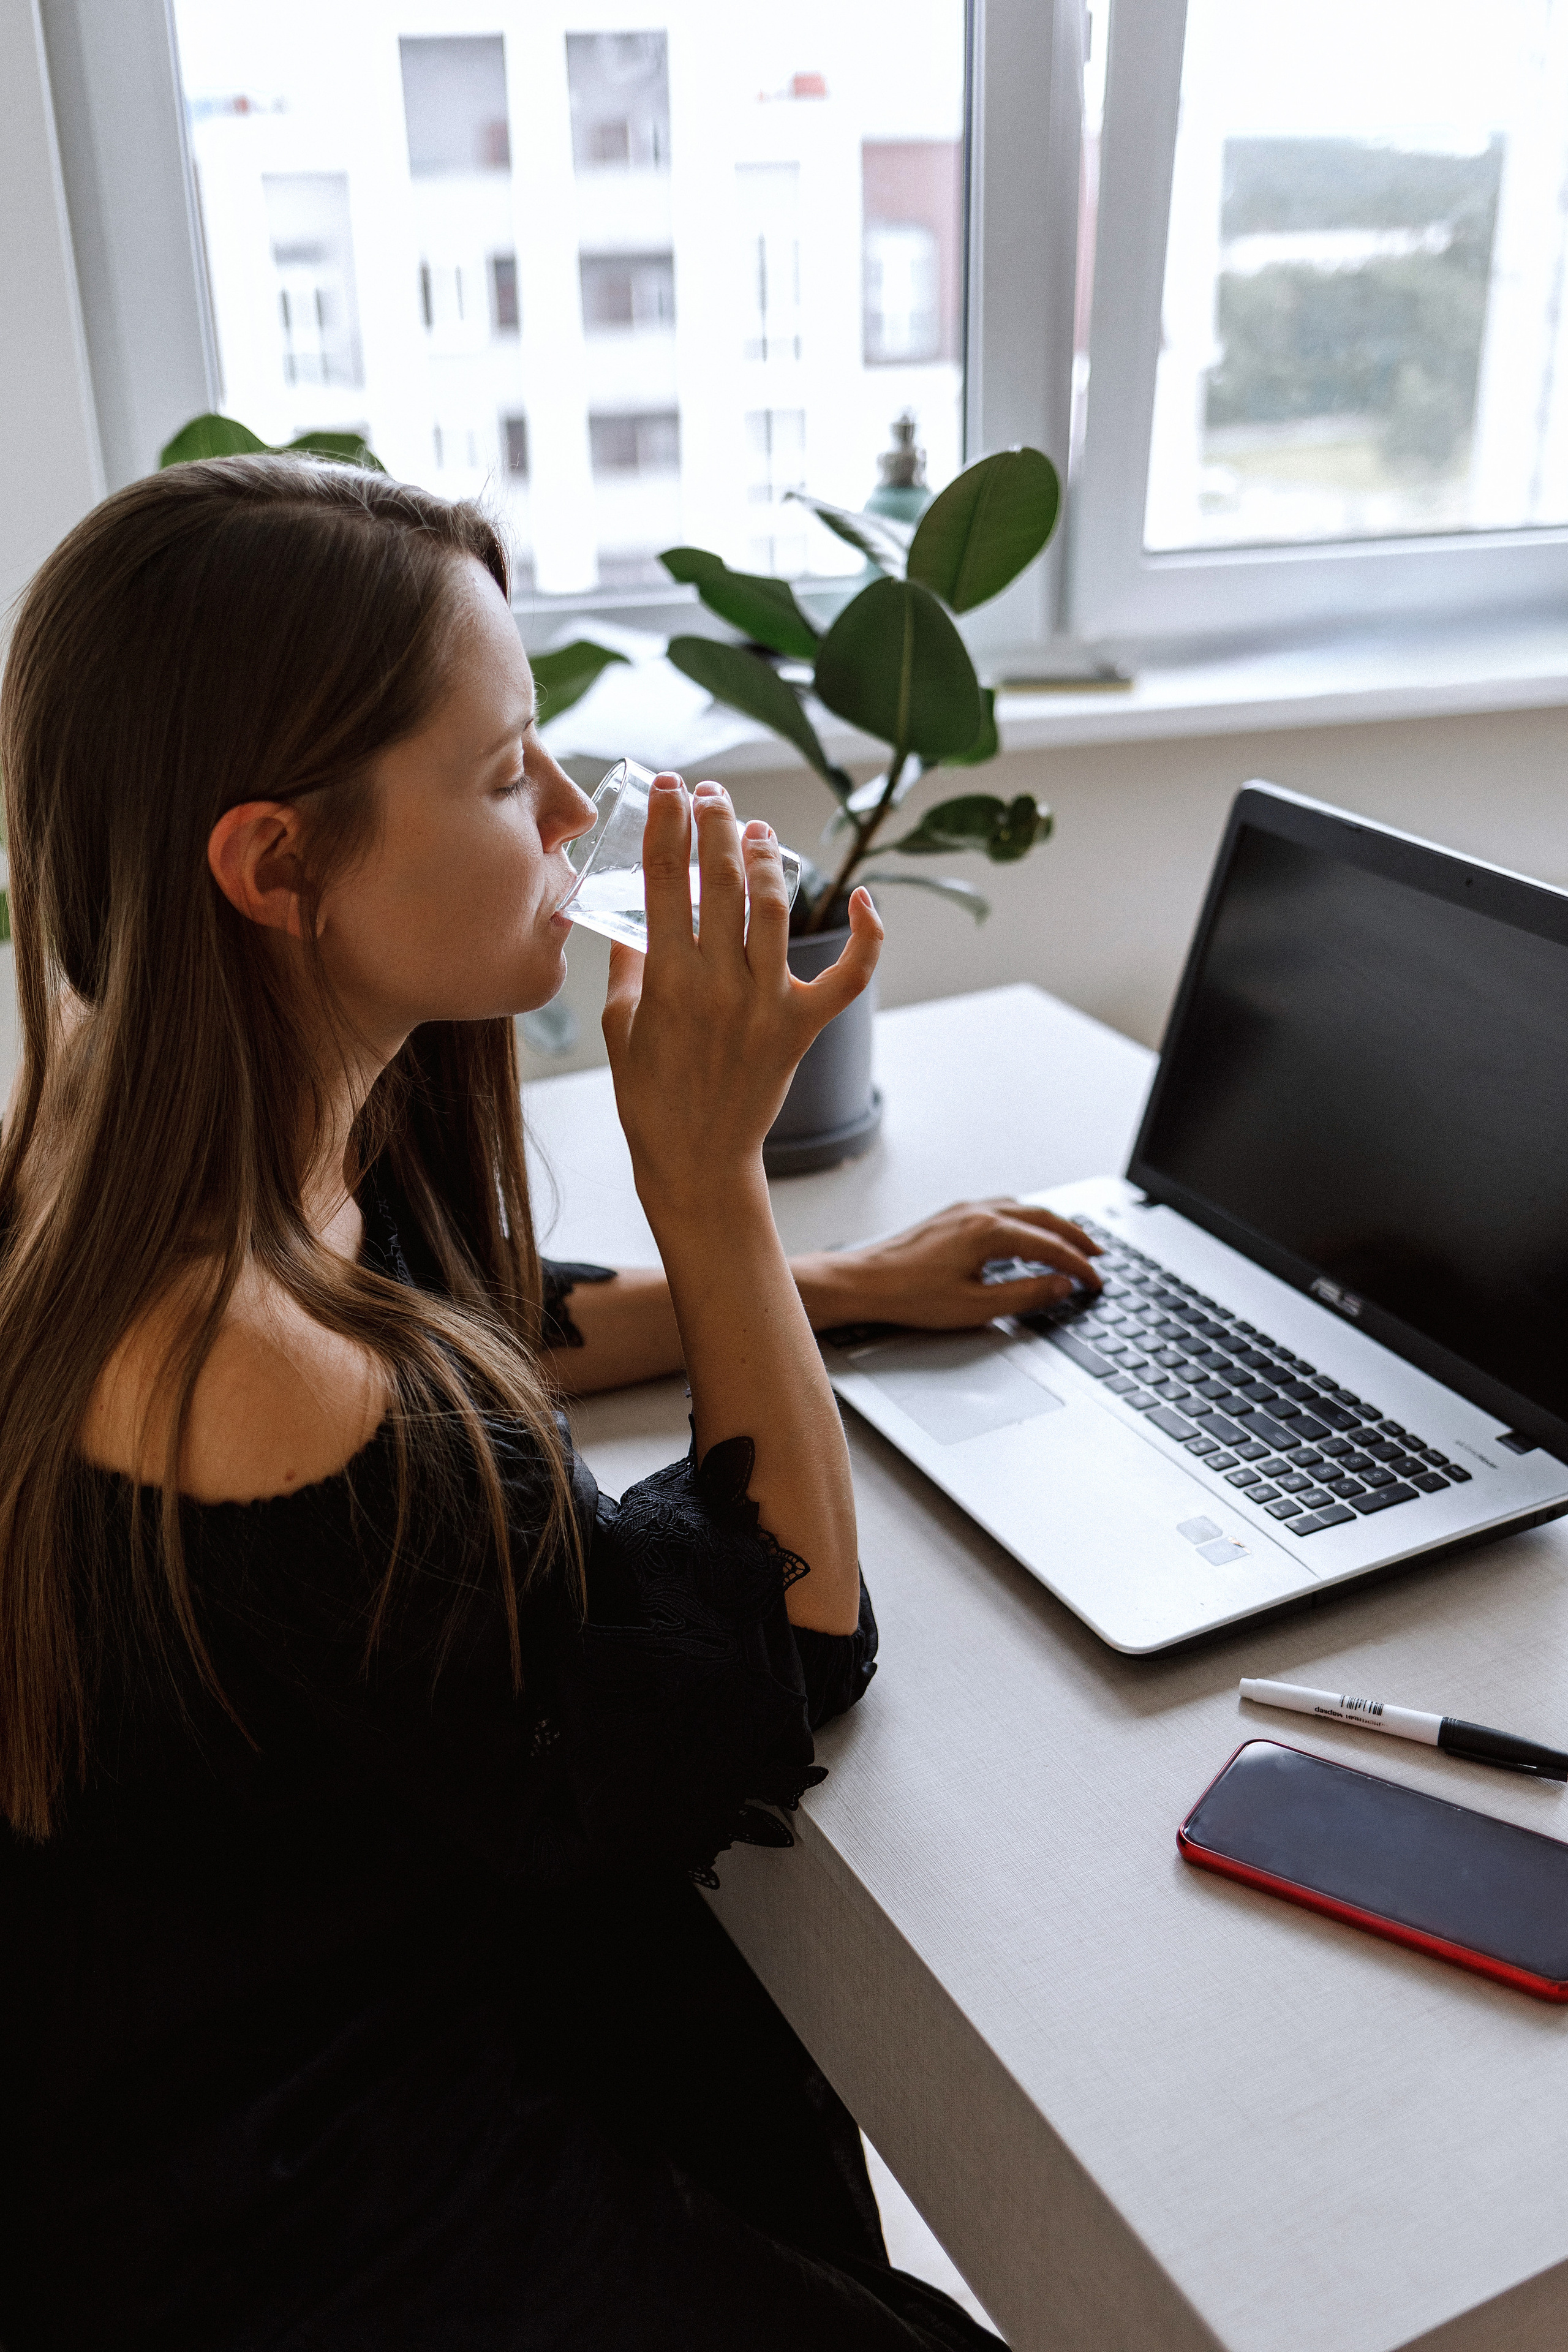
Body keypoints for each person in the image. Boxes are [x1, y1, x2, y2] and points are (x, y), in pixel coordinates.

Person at [0, 458, 1100, 2352]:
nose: (579, 814)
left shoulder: (132, 1144)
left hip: (202, 2038)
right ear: (275, 865)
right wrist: (713, 1178)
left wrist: (839, 1291)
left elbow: (467, 1303)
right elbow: (792, 1645)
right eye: (510, 776)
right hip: (283, 2211)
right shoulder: (261, 1379)